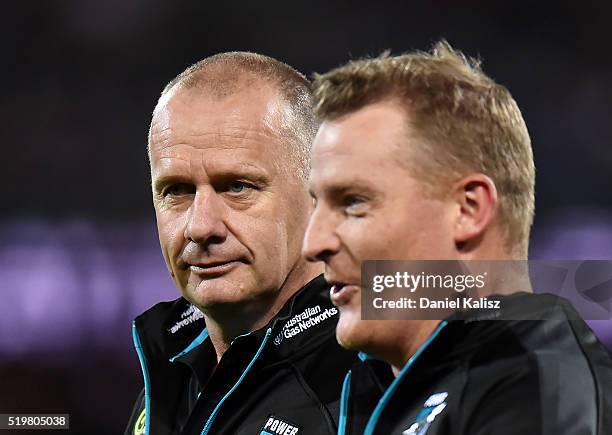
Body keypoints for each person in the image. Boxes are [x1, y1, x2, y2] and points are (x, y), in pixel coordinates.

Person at [303, 41, 612, 434]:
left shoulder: (534, 392)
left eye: (353, 203)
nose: (313, 243)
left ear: (468, 211)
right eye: (316, 205)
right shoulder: (374, 390)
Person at [125, 52, 359, 435]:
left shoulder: (376, 362)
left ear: (318, 192)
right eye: (176, 191)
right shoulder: (169, 366)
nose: (200, 227)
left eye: (237, 187)